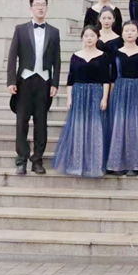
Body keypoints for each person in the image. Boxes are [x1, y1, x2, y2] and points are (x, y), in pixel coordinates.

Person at [7, 0, 61, 176]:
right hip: (24, 81)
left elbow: (57, 60)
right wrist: (11, 81)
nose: (40, 8)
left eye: (43, 4)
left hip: (44, 81)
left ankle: (37, 160)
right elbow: (12, 56)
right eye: (37, 5)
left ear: (47, 8)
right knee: (21, 121)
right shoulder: (20, 29)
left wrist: (55, 83)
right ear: (31, 8)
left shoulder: (54, 32)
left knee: (41, 123)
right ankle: (21, 159)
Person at [53, 25, 110, 178]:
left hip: (96, 92)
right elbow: (70, 79)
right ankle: (76, 163)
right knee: (78, 128)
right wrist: (69, 98)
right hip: (78, 93)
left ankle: (93, 164)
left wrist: (104, 98)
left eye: (92, 35)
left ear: (97, 38)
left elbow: (106, 79)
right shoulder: (75, 56)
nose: (89, 38)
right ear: (82, 38)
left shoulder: (103, 56)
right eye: (86, 36)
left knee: (94, 128)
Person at [106, 21, 138, 176]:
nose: (129, 33)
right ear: (122, 34)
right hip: (119, 88)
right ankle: (116, 163)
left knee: (134, 125)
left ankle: (135, 164)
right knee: (119, 124)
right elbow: (112, 76)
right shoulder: (116, 53)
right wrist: (109, 95)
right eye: (126, 30)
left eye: (132, 30)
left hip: (137, 89)